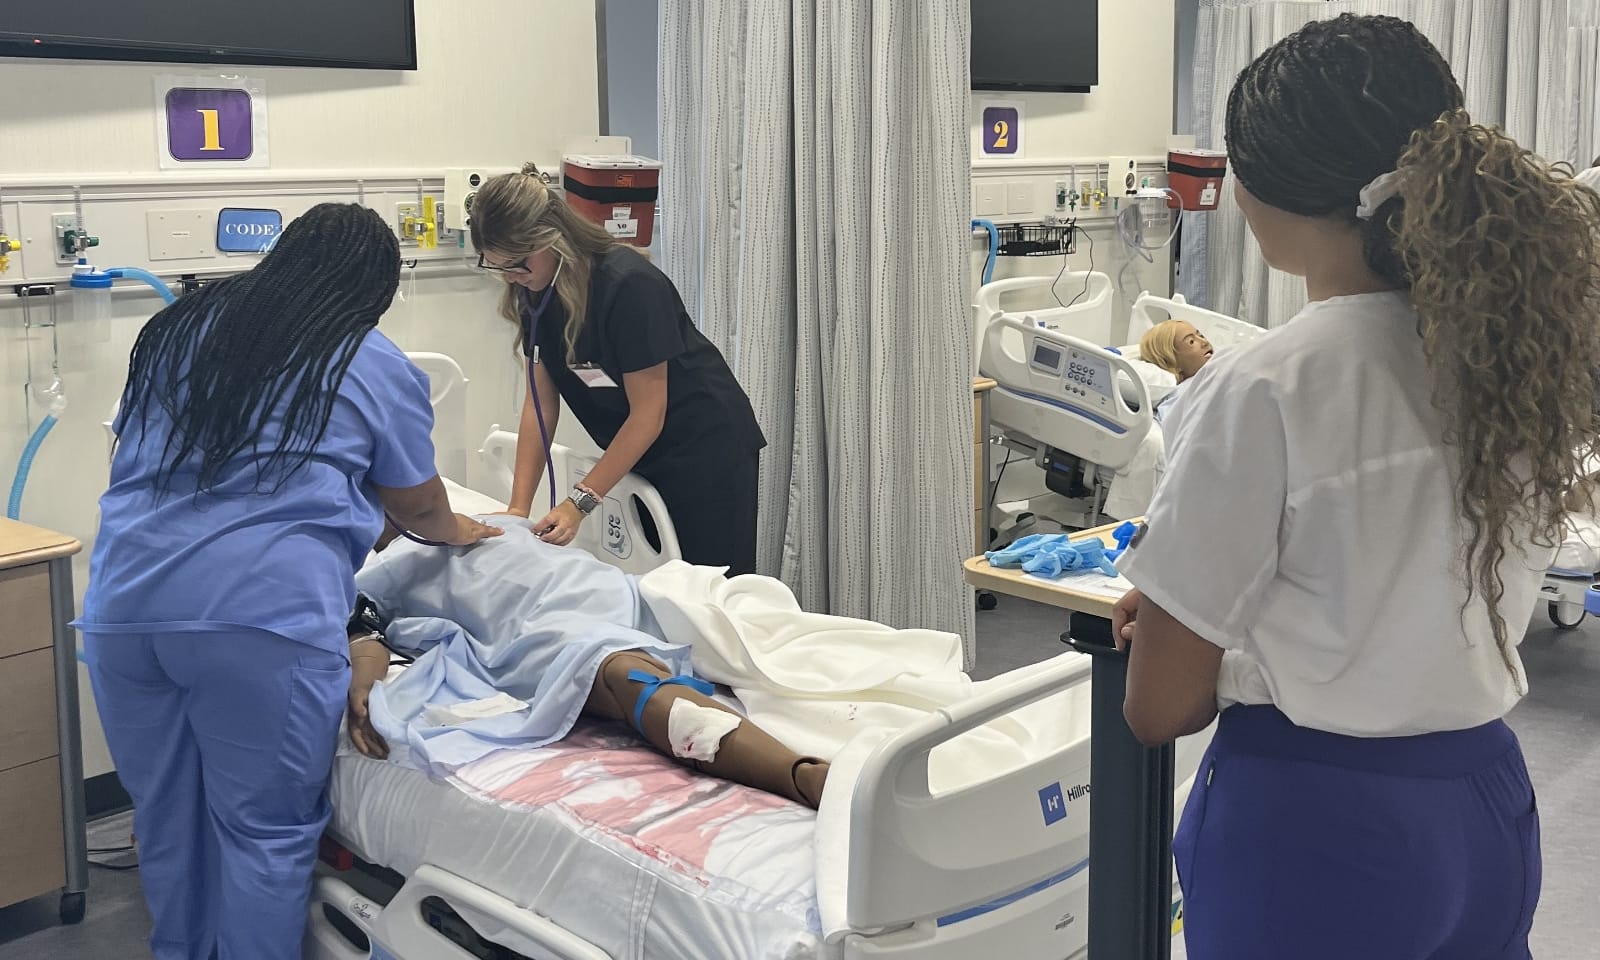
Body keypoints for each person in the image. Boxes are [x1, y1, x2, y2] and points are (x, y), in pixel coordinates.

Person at [1110, 15, 1600, 960]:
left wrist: (1189, 612)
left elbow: (1160, 709)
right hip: (1485, 801)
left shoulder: (1265, 387)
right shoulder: (1511, 358)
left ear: (1262, 193)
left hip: (1319, 828)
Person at [77, 204, 502, 960]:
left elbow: (125, 461)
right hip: (260, 620)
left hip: (125, 609)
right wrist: (456, 529)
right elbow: (419, 502)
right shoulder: (367, 359)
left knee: (168, 816)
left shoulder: (175, 334)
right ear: (371, 288)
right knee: (263, 831)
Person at [344, 519, 830, 807]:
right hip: (544, 631)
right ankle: (804, 777)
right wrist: (365, 683)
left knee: (761, 626)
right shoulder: (374, 575)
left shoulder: (493, 519)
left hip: (637, 597)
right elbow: (361, 631)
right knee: (626, 674)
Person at [468, 165, 767, 575]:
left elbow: (649, 413)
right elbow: (539, 405)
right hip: (640, 451)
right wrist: (518, 507)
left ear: (552, 237)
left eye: (518, 264)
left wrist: (580, 502)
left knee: (710, 588)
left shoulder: (628, 285)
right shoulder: (534, 294)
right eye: (498, 266)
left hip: (704, 449)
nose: (511, 277)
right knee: (660, 584)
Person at [1136, 319, 1213, 425]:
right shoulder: (1181, 397)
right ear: (1171, 362)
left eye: (1201, 336)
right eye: (1191, 341)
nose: (1204, 342)